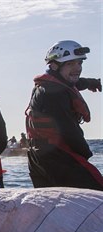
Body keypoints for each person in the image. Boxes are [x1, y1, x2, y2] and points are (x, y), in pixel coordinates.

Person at [25, 40, 103, 190]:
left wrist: (90, 82)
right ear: (54, 65)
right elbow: (68, 130)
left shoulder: (51, 84)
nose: (77, 68)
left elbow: (73, 82)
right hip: (57, 157)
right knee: (98, 195)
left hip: (39, 157)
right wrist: (86, 154)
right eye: (70, 64)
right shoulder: (52, 94)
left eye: (79, 63)